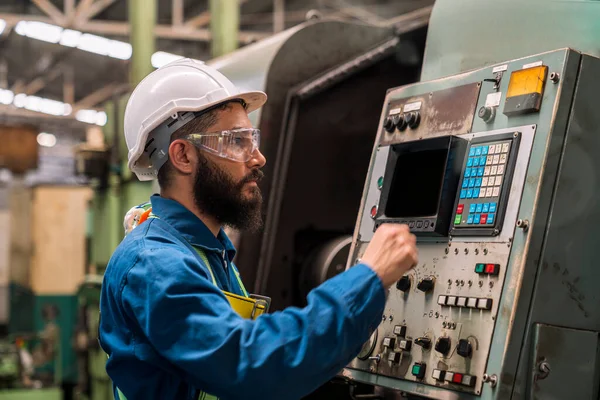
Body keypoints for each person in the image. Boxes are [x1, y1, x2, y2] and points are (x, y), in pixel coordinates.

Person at [98, 58, 418, 400]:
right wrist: (368, 279)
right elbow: (250, 364)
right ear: (184, 156)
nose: (258, 157)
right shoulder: (155, 264)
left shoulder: (208, 253)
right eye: (236, 141)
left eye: (253, 138)